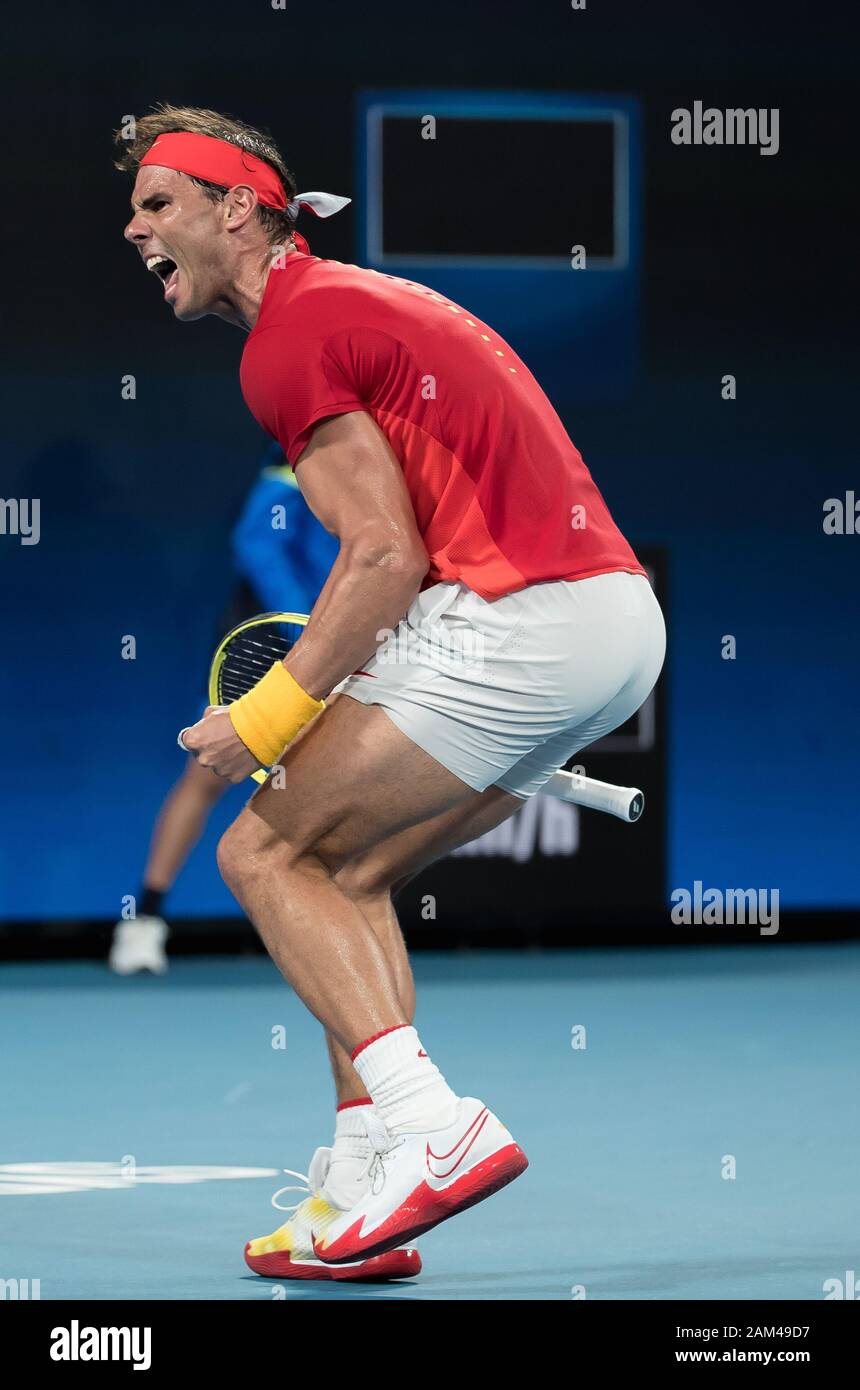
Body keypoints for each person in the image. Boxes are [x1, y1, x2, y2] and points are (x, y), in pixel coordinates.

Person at [117, 104, 665, 1271]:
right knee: (346, 873)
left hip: (524, 615)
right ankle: (364, 1184)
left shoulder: (286, 335)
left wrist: (262, 718)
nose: (134, 227)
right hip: (606, 621)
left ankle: (432, 1127)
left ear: (239, 210)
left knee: (258, 856)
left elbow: (380, 557)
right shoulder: (345, 301)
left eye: (158, 203)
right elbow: (404, 560)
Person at [109, 445, 338, 976]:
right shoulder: (290, 472)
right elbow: (257, 547)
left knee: (335, 778)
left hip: (341, 643)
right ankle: (144, 921)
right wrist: (307, 629)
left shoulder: (377, 475)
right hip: (273, 642)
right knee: (206, 775)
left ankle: (326, 926)